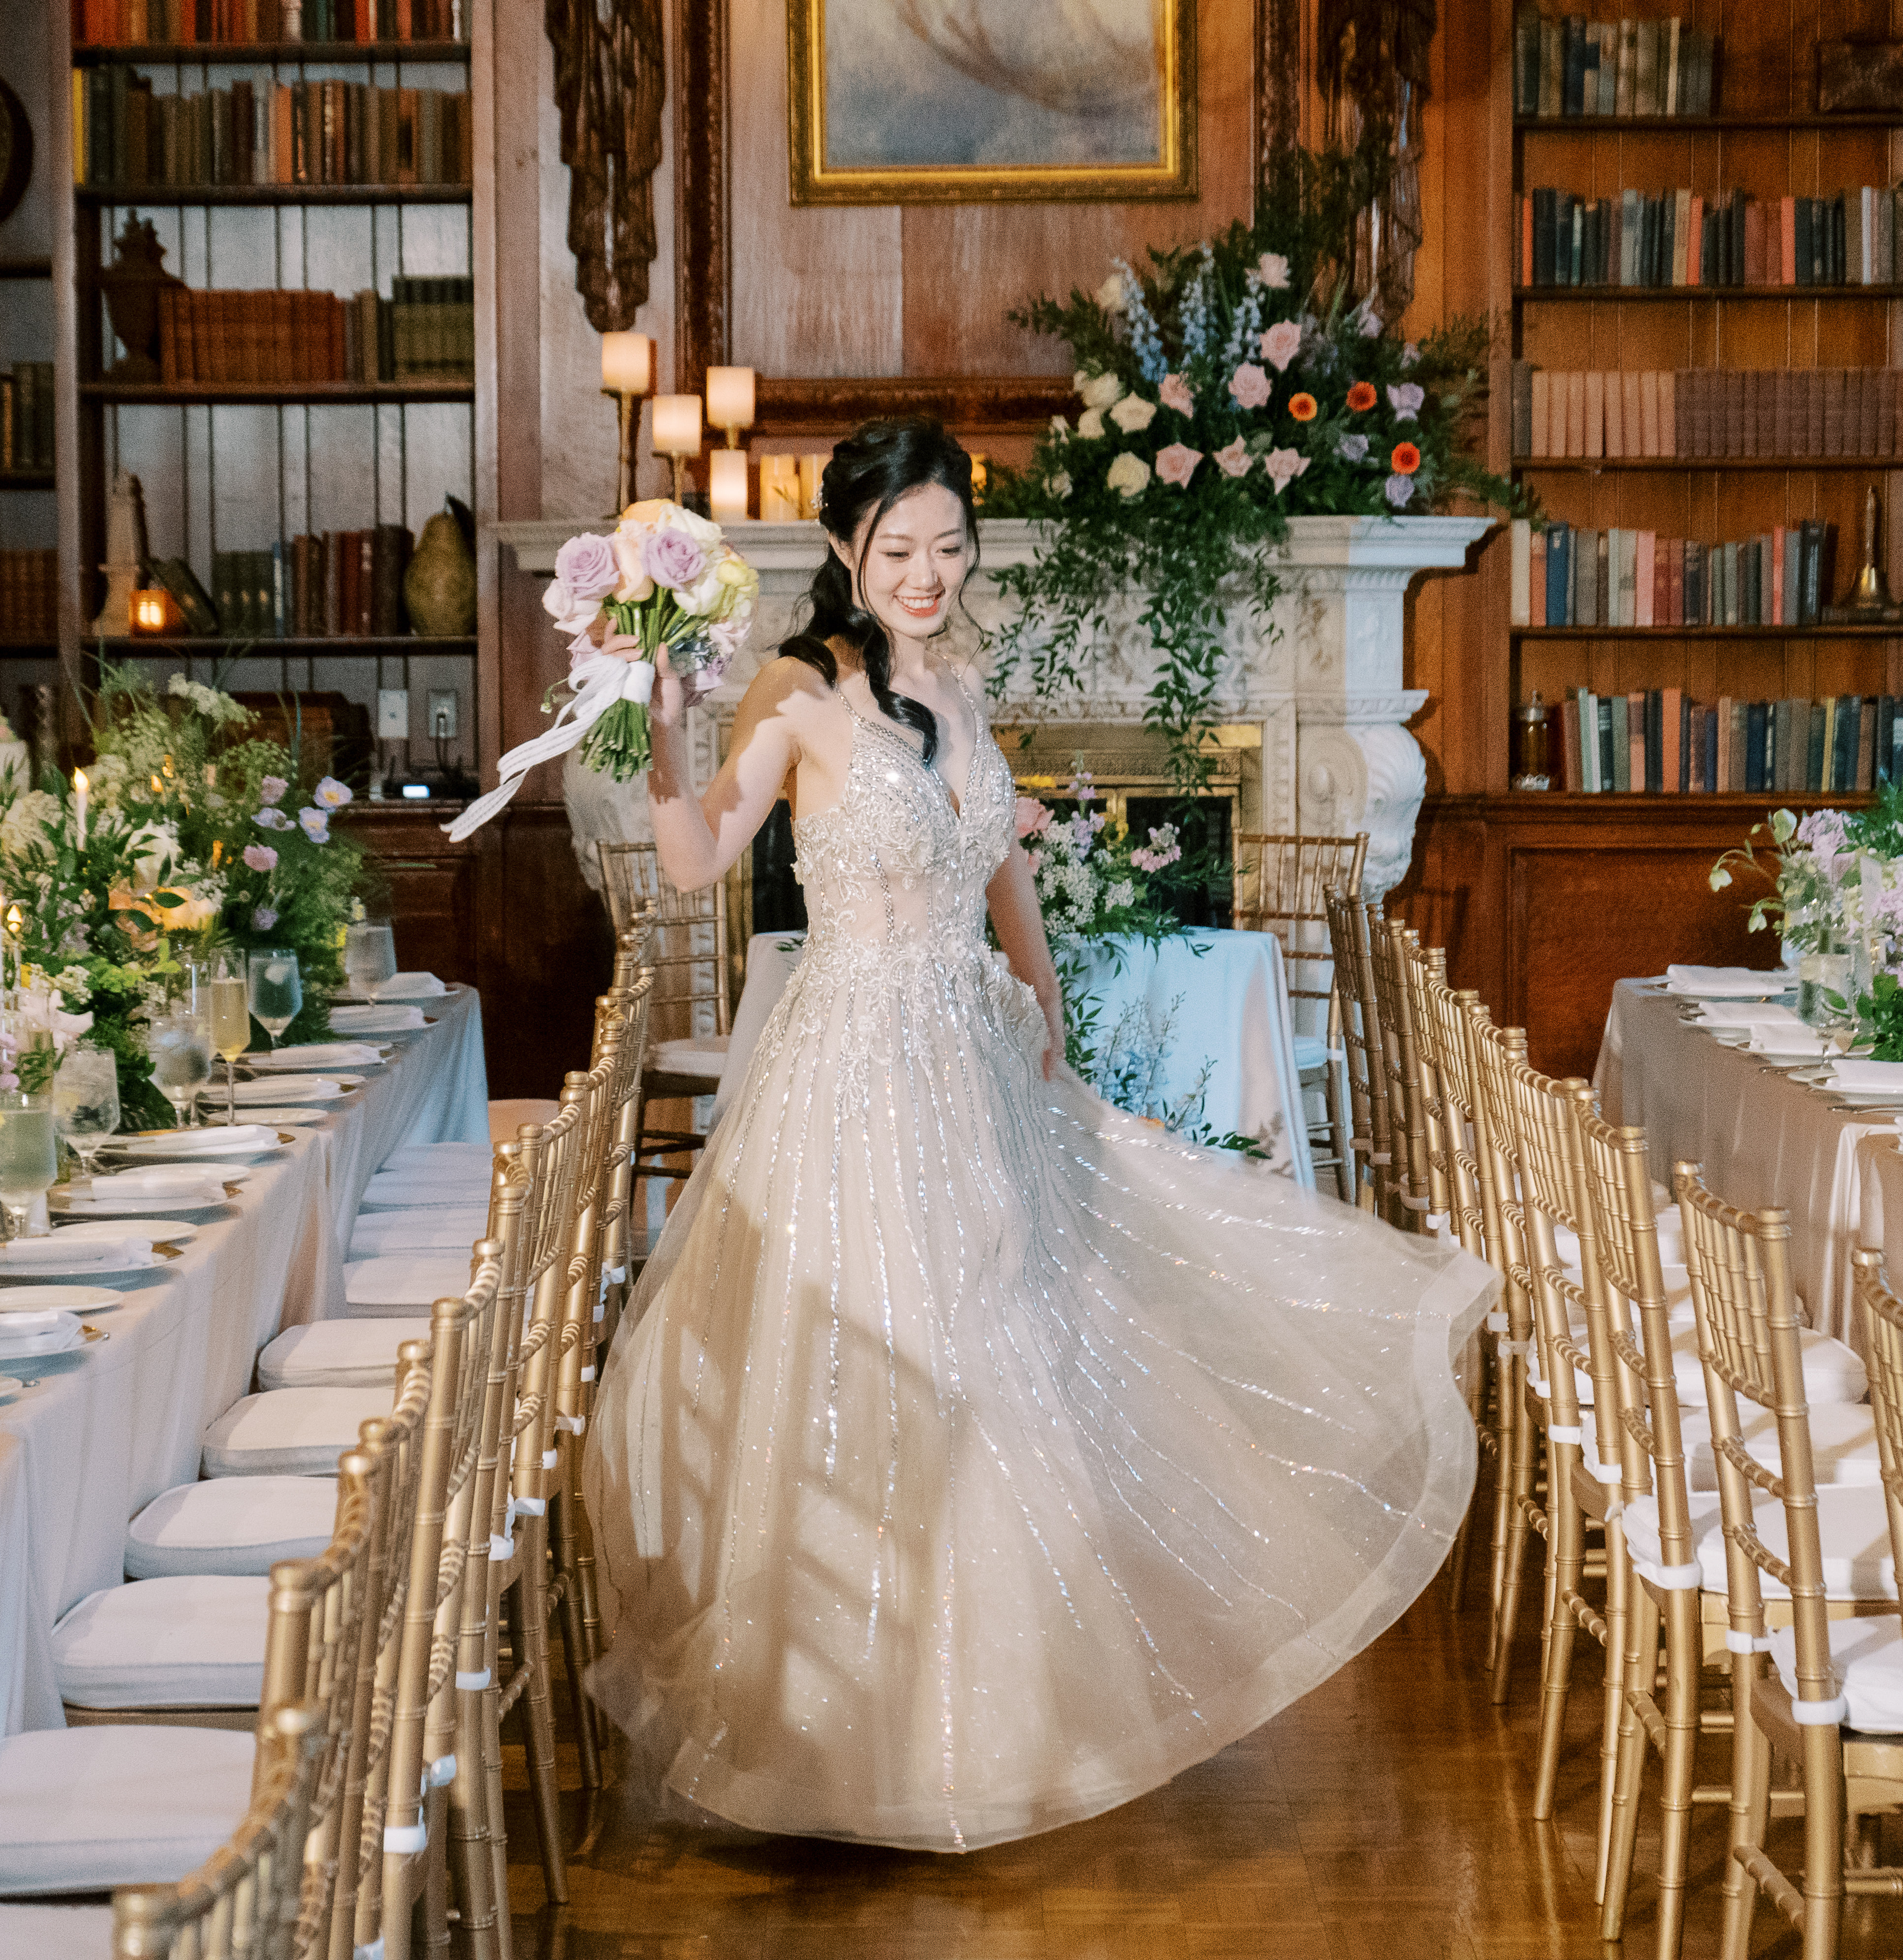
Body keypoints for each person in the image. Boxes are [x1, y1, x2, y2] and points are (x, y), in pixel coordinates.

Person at [585, 417, 1495, 1852]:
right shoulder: (800, 688)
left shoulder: (956, 674)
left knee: (1018, 1343)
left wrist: (1047, 1000)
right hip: (858, 1071)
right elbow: (698, 857)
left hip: (975, 1057)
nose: (929, 573)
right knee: (891, 1351)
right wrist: (667, 735)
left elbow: (997, 847)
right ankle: (852, 1720)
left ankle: (1000, 1716)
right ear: (843, 553)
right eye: (900, 551)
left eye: (950, 547)